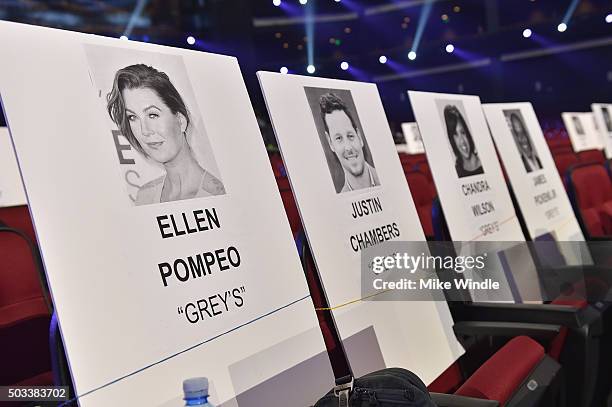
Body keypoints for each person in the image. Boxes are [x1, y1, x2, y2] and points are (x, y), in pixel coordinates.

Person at [107, 64, 224, 205]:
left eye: (152, 115)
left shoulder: (217, 194)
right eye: (132, 117)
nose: (145, 131)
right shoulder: (144, 197)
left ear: (181, 121)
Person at [319, 92, 380, 192]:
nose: (348, 148)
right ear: (330, 143)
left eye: (350, 136)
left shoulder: (387, 179)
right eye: (338, 138)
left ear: (359, 137)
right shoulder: (339, 203)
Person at [443, 105, 484, 178]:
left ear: (467, 133)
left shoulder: (485, 162)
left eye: (462, 132)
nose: (462, 141)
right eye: (455, 135)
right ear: (452, 140)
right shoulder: (456, 173)